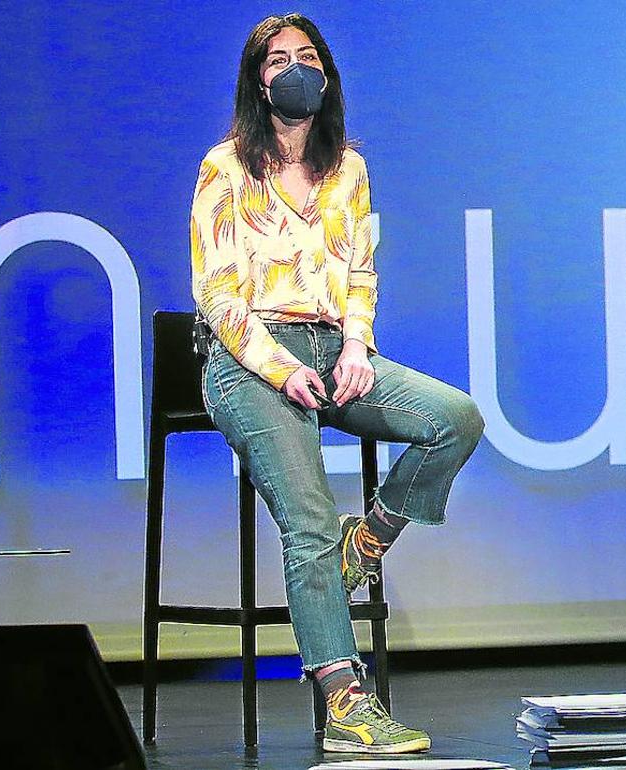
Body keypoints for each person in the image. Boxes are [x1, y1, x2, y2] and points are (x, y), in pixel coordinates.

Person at [190, 13, 484, 754]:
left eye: (307, 57)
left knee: (455, 418)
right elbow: (217, 294)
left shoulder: (347, 168)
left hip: (332, 349)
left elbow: (358, 272)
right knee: (309, 521)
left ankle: (370, 541)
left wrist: (356, 346)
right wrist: (282, 368)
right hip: (250, 360)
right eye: (277, 59)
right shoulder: (226, 168)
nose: (295, 69)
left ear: (326, 74)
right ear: (258, 81)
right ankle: (346, 702)